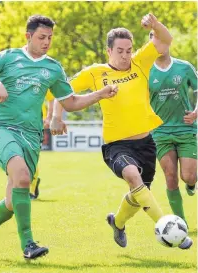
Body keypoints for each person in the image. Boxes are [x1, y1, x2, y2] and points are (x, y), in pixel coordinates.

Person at [0, 15, 118, 260]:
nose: (46, 42)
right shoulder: (9, 57)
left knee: (12, 200)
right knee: (22, 175)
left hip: (31, 134)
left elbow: (70, 102)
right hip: (1, 126)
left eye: (50, 37)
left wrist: (99, 94)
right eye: (41, 37)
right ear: (28, 36)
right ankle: (28, 244)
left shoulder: (53, 68)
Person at [51, 14, 192, 250]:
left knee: (138, 194)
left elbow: (166, 40)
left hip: (146, 143)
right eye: (120, 51)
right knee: (133, 177)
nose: (125, 55)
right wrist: (56, 116)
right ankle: (167, 226)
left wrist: (155, 25)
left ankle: (117, 223)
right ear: (109, 51)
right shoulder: (95, 73)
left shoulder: (140, 62)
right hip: (117, 145)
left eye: (128, 50)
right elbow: (63, 90)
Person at [149, 31, 197, 228]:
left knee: (188, 176)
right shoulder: (145, 71)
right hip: (160, 133)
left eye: (162, 39)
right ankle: (181, 223)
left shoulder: (184, 67)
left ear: (168, 41)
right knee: (170, 176)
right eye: (154, 39)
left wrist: (195, 112)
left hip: (186, 130)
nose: (158, 43)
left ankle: (192, 183)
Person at [29, 93, 54, 200]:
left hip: (36, 123)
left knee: (32, 158)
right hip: (17, 122)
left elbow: (51, 99)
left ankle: (31, 189)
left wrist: (48, 117)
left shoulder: (43, 77)